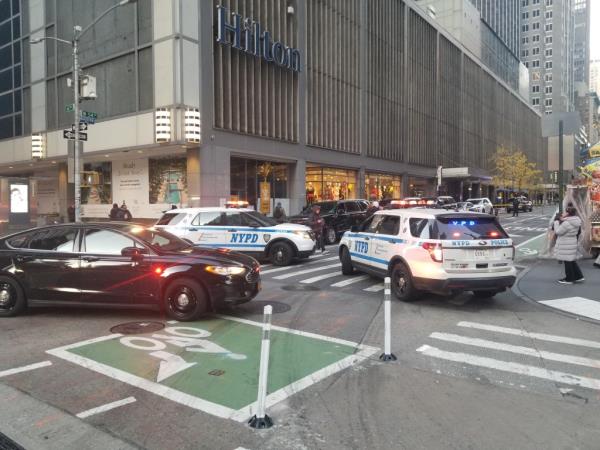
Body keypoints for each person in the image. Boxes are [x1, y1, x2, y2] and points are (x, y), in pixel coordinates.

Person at [553, 206, 584, 284]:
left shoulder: (567, 223)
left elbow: (558, 232)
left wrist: (556, 222)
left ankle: (569, 279)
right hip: (572, 241)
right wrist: (562, 219)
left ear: (567, 213)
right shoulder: (575, 220)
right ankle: (578, 276)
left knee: (567, 261)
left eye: (565, 212)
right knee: (571, 260)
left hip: (565, 243)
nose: (563, 213)